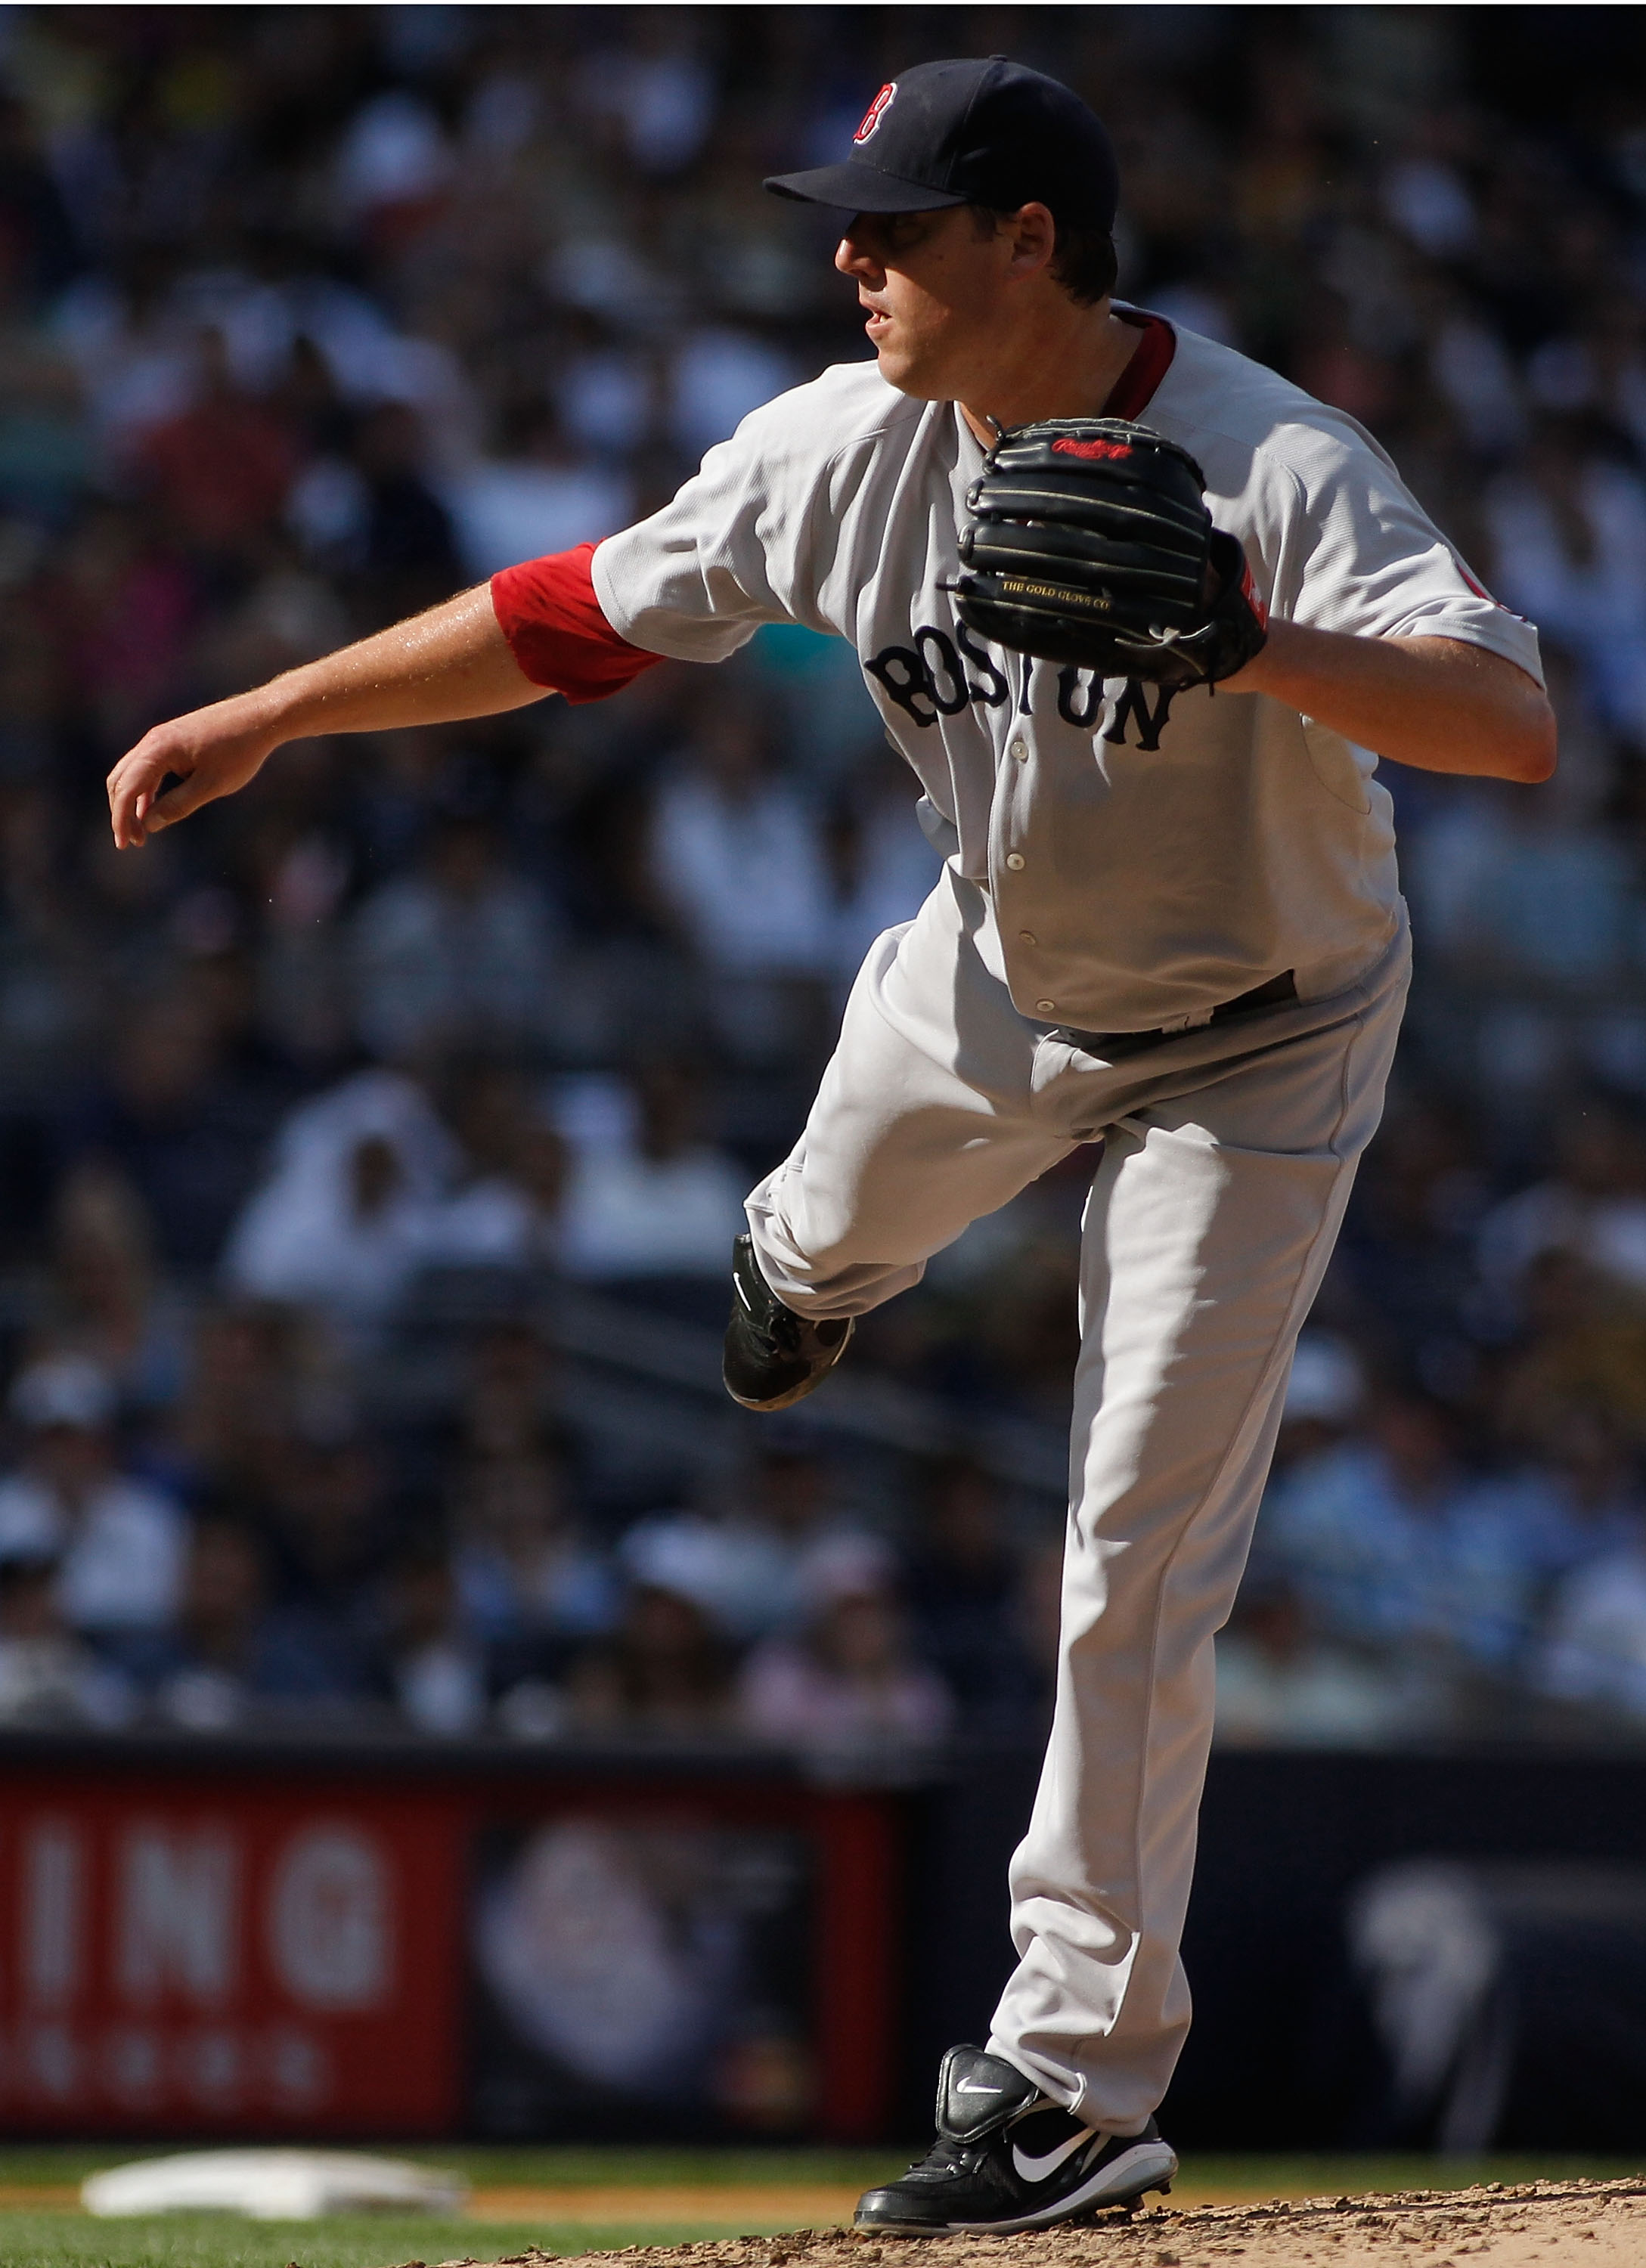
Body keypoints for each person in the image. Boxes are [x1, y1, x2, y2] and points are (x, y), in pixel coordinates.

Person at [107, 54, 1554, 2238]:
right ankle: (801, 1262)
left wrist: (1259, 642)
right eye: (842, 222)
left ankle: (1070, 2081)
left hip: (1270, 1044)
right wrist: (270, 709)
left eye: (891, 224)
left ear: (1029, 243)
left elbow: (1513, 723)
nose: (847, 256)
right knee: (812, 1243)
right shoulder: (831, 447)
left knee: (1135, 1541)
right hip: (985, 982)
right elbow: (566, 616)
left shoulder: (1268, 454)